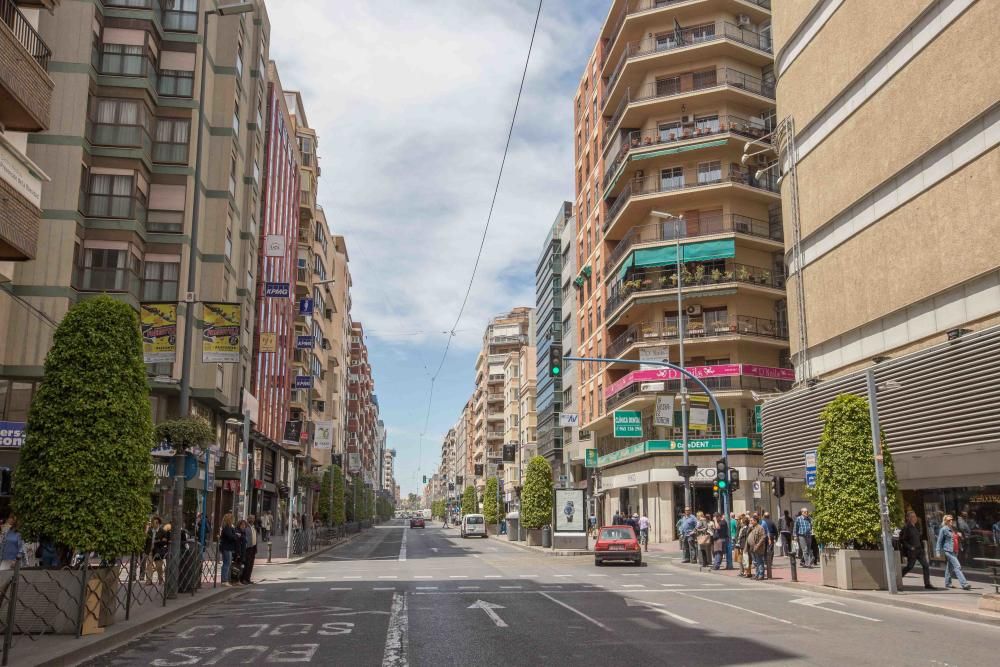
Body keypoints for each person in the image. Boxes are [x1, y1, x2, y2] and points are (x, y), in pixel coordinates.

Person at [935, 514, 971, 590]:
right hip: (949, 551)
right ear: (945, 521)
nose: (951, 521)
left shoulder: (954, 529)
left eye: (952, 519)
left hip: (955, 550)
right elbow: (939, 541)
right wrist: (937, 551)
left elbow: (957, 539)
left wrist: (960, 536)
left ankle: (947, 583)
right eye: (949, 520)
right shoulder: (943, 529)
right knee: (957, 566)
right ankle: (964, 584)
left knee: (950, 567)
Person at [900, 511, 934, 589]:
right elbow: (902, 540)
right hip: (912, 551)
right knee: (910, 566)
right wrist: (910, 547)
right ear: (908, 518)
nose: (914, 518)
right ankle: (897, 579)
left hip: (919, 550)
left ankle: (927, 584)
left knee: (925, 565)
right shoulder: (906, 527)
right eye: (912, 517)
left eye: (915, 516)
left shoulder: (916, 527)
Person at [219, 513, 239, 587]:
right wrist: (236, 535)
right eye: (232, 519)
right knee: (226, 564)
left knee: (227, 563)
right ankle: (224, 580)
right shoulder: (227, 527)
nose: (233, 520)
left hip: (228, 548)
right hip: (226, 548)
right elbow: (230, 537)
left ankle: (225, 580)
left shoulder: (229, 527)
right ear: (229, 520)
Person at [746, 515, 768, 580]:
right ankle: (757, 574)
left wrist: (758, 545)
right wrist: (749, 528)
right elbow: (748, 535)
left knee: (759, 561)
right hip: (752, 548)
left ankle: (761, 575)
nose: (750, 522)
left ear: (755, 521)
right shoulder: (752, 527)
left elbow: (763, 537)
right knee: (755, 562)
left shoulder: (760, 528)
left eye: (751, 520)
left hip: (758, 548)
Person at [240, 515, 258, 585]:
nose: (252, 520)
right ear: (248, 519)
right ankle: (244, 579)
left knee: (251, 564)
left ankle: (248, 579)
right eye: (251, 518)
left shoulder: (254, 527)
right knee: (246, 564)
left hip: (253, 548)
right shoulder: (246, 527)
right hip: (248, 548)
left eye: (253, 518)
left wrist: (256, 548)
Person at [142, 517, 161, 582]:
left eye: (156, 523)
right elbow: (146, 541)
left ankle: (160, 579)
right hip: (150, 550)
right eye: (154, 523)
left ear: (159, 523)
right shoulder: (150, 531)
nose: (155, 524)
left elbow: (164, 541)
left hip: (158, 551)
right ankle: (149, 580)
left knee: (159, 566)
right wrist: (145, 551)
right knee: (149, 566)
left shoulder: (162, 531)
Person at [761, 512, 778, 578]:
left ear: (763, 516)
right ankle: (770, 561)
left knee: (764, 549)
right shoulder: (772, 522)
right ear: (769, 516)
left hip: (764, 536)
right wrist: (776, 537)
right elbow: (776, 530)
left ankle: (765, 561)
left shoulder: (762, 522)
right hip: (771, 536)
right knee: (771, 549)